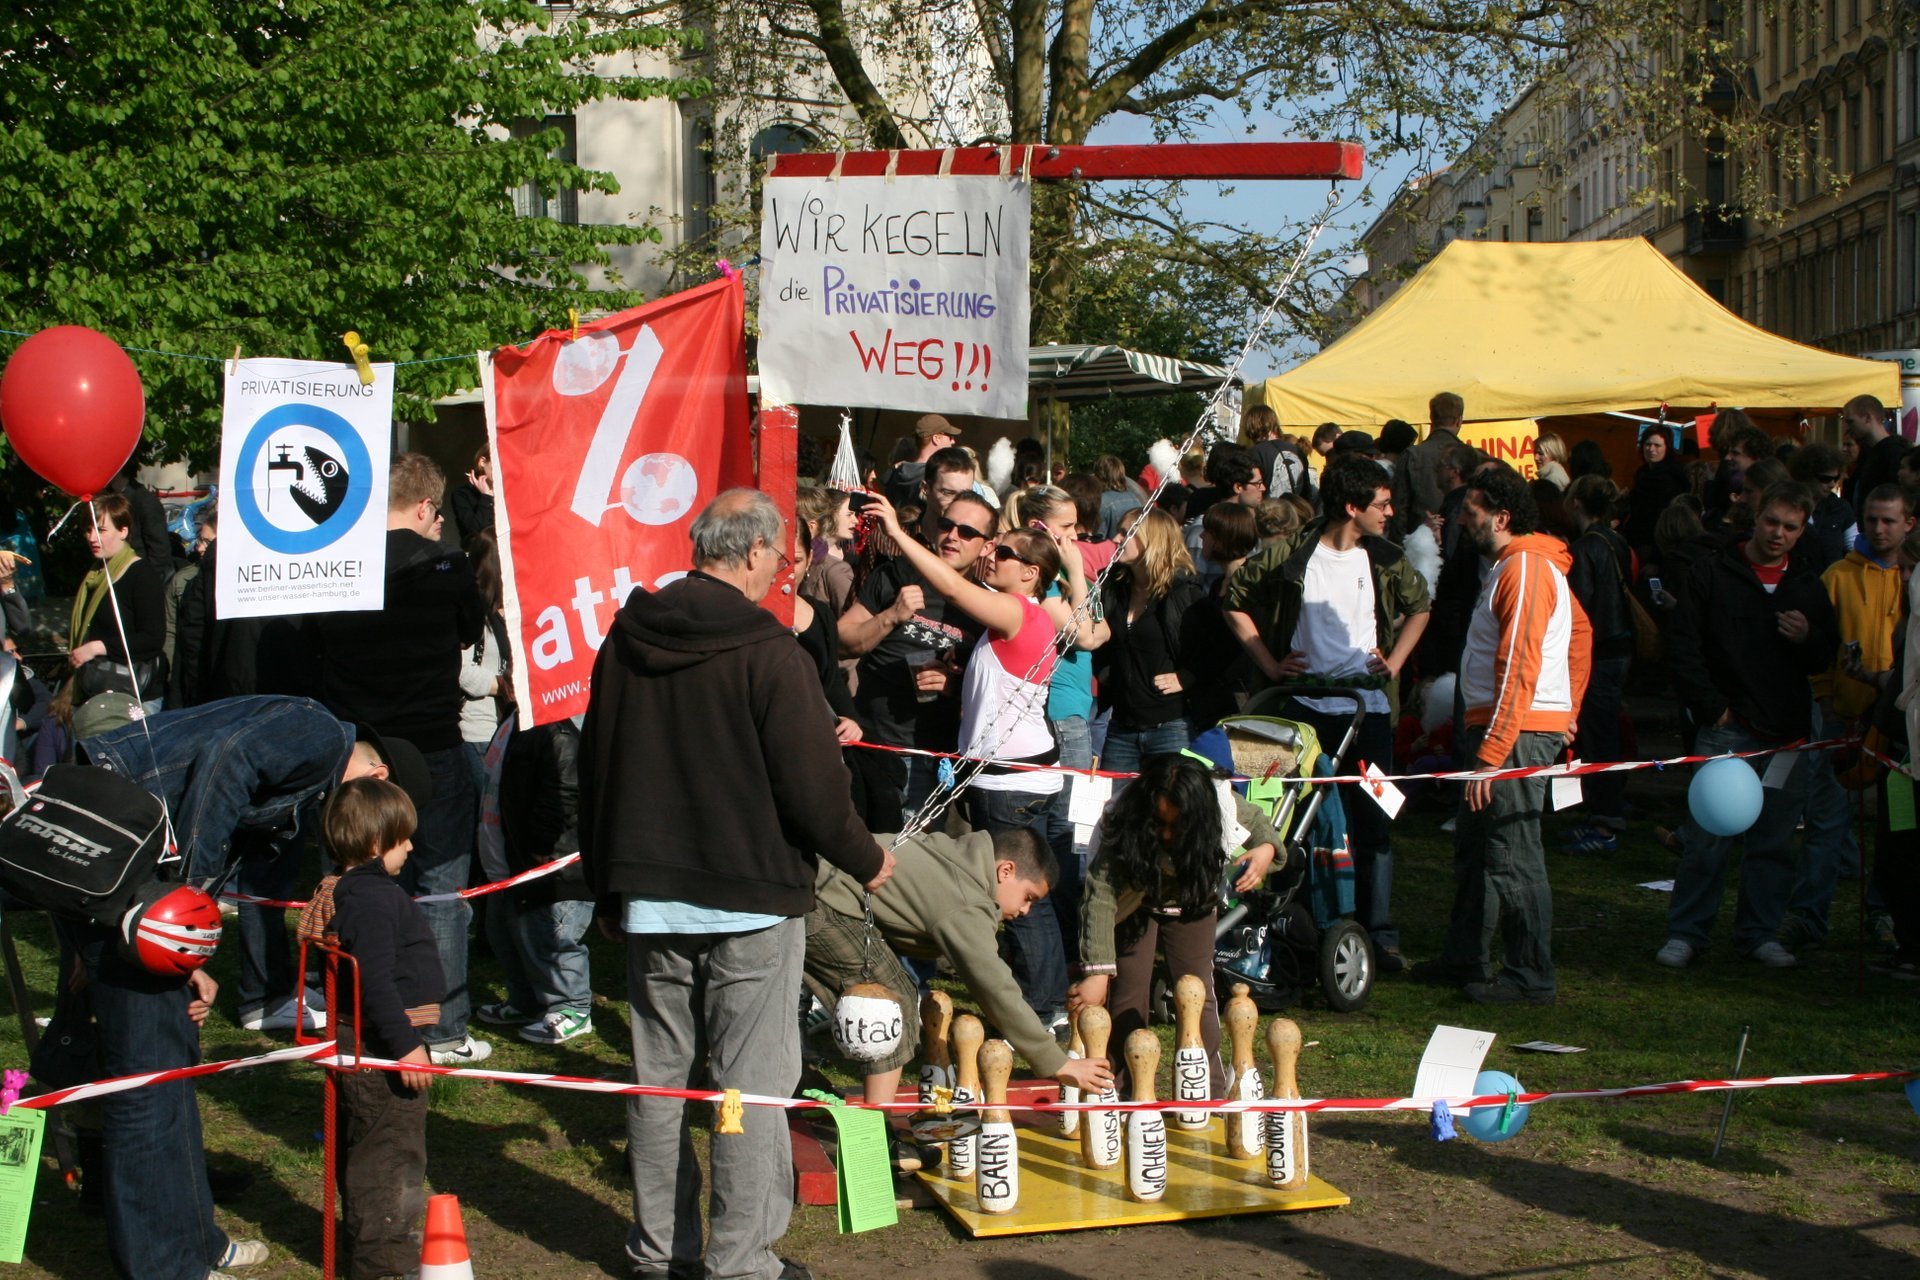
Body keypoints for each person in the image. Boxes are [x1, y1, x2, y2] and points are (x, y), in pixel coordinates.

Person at [579, 488, 892, 1280]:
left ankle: (662, 1250)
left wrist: (607, 887)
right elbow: (814, 789)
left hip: (654, 895)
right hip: (748, 898)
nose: (780, 571)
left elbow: (596, 767)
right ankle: (740, 1261)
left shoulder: (627, 639)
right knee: (750, 1087)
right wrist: (866, 856)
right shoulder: (769, 652)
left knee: (662, 1080)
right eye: (779, 557)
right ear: (752, 552)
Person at [65, 696, 422, 1280]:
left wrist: (188, 943)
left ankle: (194, 1242)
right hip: (126, 861)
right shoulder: (319, 732)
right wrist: (185, 904)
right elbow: (225, 763)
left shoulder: (310, 757)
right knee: (147, 1083)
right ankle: (166, 1267)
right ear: (377, 776)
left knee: (173, 1065)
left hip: (133, 870)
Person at [864, 490, 1092, 1025]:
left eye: (1005, 553)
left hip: (1010, 784)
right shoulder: (1021, 616)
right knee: (1021, 898)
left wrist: (898, 534)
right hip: (1011, 776)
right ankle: (1047, 1000)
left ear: (1031, 573)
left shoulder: (1018, 613)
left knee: (1018, 901)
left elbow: (948, 583)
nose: (992, 555)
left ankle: (1043, 1007)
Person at [1223, 454, 1433, 971]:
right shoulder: (1294, 553)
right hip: (1300, 708)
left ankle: (1376, 932)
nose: (1390, 513)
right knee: (1289, 817)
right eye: (1381, 504)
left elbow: (1421, 604)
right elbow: (1233, 598)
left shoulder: (1384, 556)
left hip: (1370, 710)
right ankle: (1289, 920)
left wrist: (1394, 663)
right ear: (1351, 506)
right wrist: (1271, 665)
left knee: (1376, 821)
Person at [311, 453, 489, 1065]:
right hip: (430, 741)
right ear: (423, 507)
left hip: (356, 747)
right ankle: (439, 1029)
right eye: (437, 511)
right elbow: (470, 628)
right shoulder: (446, 565)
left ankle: (351, 1010)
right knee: (440, 883)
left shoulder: (338, 561)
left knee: (357, 881)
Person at [804, 826, 1113, 1168]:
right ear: (1005, 870)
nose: (1026, 911)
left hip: (809, 881)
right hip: (821, 901)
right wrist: (1058, 1063)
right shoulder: (967, 899)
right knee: (893, 1002)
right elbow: (994, 987)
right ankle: (873, 1142)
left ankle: (797, 1080)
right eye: (1028, 898)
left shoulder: (959, 856)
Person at [1417, 468, 1589, 1004]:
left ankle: (1529, 974)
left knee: (1512, 851)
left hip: (1511, 732)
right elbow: (1580, 635)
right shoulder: (1515, 567)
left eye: (1470, 512)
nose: (1462, 521)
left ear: (1502, 516)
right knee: (1478, 848)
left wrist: (1496, 752)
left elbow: (1520, 662)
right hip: (1505, 727)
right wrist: (1568, 708)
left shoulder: (1527, 568)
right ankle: (1467, 957)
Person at [1657, 482, 1840, 970]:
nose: (1778, 534)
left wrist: (1808, 638)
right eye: (1771, 522)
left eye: (1790, 527)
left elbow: (1827, 654)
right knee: (1708, 839)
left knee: (1774, 842)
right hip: (1728, 729)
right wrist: (1711, 707)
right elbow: (1683, 645)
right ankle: (1688, 932)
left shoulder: (1807, 584)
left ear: (1802, 531)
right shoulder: (1712, 572)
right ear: (1754, 519)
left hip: (1787, 734)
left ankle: (1758, 932)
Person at [1069, 753, 1280, 1093]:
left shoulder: (1221, 804)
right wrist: (1097, 971)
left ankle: (1204, 1092)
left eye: (1176, 826)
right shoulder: (1123, 817)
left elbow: (1261, 826)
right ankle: (1123, 1088)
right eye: (1159, 824)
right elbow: (1101, 896)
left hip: (1193, 902)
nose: (1167, 835)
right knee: (1127, 992)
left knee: (1198, 993)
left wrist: (1266, 850)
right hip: (1134, 904)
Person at [301, 777, 442, 1280]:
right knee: (389, 1156)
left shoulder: (349, 889)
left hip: (363, 1037)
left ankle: (367, 1244)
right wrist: (406, 1046)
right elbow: (374, 979)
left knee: (367, 1146)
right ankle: (384, 1264)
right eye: (403, 837)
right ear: (376, 844)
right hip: (378, 1043)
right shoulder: (376, 899)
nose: (410, 846)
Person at [1782, 482, 1913, 948]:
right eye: (1872, 519)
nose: (1879, 529)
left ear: (1908, 524)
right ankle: (1808, 914)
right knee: (1826, 820)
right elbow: (1819, 648)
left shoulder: (1913, 578)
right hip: (1843, 718)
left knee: (1896, 829)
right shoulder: (1837, 575)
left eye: (1889, 520)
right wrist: (1823, 700)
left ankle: (1884, 913)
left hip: (1900, 728)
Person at [838, 454, 990, 818]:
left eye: (967, 532)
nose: (953, 536)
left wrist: (953, 687)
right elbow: (843, 639)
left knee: (921, 858)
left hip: (939, 753)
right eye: (948, 525)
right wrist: (891, 616)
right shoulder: (897, 573)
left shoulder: (987, 602)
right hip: (878, 742)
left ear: (986, 545)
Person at [479, 711, 597, 1043]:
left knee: (552, 938)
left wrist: (543, 843)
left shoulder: (556, 729)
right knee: (506, 933)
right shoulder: (514, 720)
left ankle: (572, 1007)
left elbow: (566, 789)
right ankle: (527, 1000)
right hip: (509, 859)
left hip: (551, 864)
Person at [1085, 508, 1208, 772]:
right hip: (1121, 726)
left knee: (1169, 808)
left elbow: (1219, 648)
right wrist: (1104, 669)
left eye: (1126, 533)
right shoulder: (1112, 586)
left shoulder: (1183, 592)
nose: (1115, 539)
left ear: (1151, 540)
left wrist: (1188, 676)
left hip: (1171, 726)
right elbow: (1095, 632)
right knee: (1115, 809)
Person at [1561, 475, 1635, 853]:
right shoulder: (1616, 541)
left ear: (1577, 503)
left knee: (1599, 736)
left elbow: (1580, 610)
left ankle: (1606, 822)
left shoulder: (1586, 548)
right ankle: (1602, 810)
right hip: (1617, 647)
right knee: (1604, 733)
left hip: (1598, 651)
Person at [68, 492, 167, 712]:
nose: (92, 537)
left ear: (123, 531)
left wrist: (97, 647)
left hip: (133, 695)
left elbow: (152, 638)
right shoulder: (96, 575)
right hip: (95, 690)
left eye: (101, 530)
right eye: (88, 529)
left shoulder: (140, 574)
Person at [1392, 390, 1465, 538]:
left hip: (1420, 546)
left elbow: (1398, 509)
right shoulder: (1471, 456)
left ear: (1431, 417)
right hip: (1461, 546)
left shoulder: (1412, 455)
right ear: (1459, 420)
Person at [1623, 427, 1691, 554]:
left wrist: (1655, 557)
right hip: (1636, 540)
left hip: (1654, 545)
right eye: (1648, 444)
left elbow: (1665, 519)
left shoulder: (1671, 477)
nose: (1651, 449)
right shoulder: (1642, 473)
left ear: (1667, 448)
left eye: (1657, 445)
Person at [1787, 441, 1854, 570]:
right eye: (1825, 479)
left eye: (1836, 478)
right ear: (1807, 475)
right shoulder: (1788, 504)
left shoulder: (1840, 508)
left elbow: (1855, 547)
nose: (1832, 484)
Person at [796, 483, 857, 618]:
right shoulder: (826, 562)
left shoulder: (837, 566)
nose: (856, 520)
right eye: (849, 514)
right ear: (832, 516)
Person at [1843, 394, 1906, 519]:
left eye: (1851, 421)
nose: (1848, 427)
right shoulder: (1869, 453)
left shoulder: (1895, 453)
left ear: (1867, 418)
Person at [882, 412, 962, 507]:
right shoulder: (935, 475)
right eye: (950, 437)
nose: (953, 441)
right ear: (936, 438)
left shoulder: (896, 472)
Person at [1244, 403, 1312, 498]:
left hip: (1269, 510)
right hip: (1297, 509)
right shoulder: (1297, 450)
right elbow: (1307, 490)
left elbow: (1248, 492)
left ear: (1251, 425)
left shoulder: (1253, 453)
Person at [449, 443, 495, 543]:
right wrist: (486, 497)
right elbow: (474, 530)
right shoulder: (462, 494)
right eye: (498, 463)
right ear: (482, 462)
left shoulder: (507, 491)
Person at [1094, 454, 1147, 538]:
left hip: (1112, 548)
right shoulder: (1135, 497)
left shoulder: (1103, 501)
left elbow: (1097, 537)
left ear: (1099, 475)